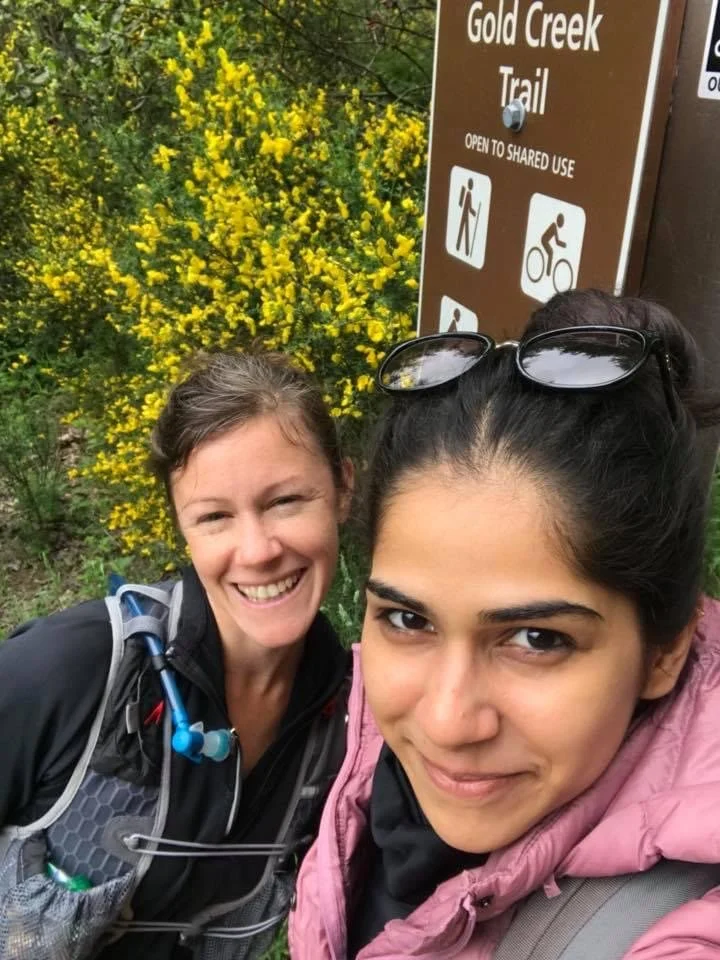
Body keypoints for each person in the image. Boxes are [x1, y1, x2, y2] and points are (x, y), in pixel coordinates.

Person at [289, 290, 720, 959]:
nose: (446, 722)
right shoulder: (377, 758)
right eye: (408, 619)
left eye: (537, 639)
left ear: (665, 649)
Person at [0, 351, 353, 960]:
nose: (257, 549)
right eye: (214, 516)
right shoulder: (72, 672)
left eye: (286, 501)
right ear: (182, 531)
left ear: (344, 489)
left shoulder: (350, 720)